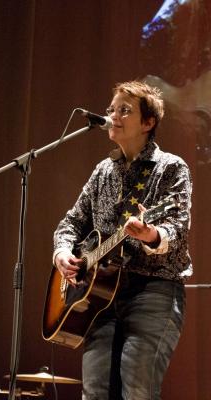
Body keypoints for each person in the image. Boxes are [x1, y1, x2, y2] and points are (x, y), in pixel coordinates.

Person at [53, 81, 192, 399]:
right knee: (95, 392)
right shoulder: (103, 171)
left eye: (124, 110)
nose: (113, 116)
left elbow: (177, 232)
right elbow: (71, 223)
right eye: (111, 110)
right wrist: (62, 252)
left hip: (152, 291)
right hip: (101, 297)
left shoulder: (170, 168)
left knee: (137, 390)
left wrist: (152, 235)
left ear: (148, 122)